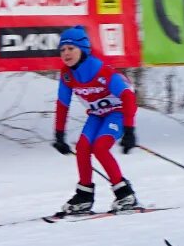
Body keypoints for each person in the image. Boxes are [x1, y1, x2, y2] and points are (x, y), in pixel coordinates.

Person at [49, 26, 140, 217]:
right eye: (62, 50)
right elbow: (62, 104)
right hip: (97, 114)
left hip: (118, 112)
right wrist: (59, 135)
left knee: (100, 147)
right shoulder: (67, 75)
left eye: (71, 49)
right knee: (82, 147)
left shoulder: (102, 70)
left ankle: (124, 194)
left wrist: (130, 130)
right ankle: (84, 195)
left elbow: (128, 97)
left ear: (83, 49)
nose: (66, 53)